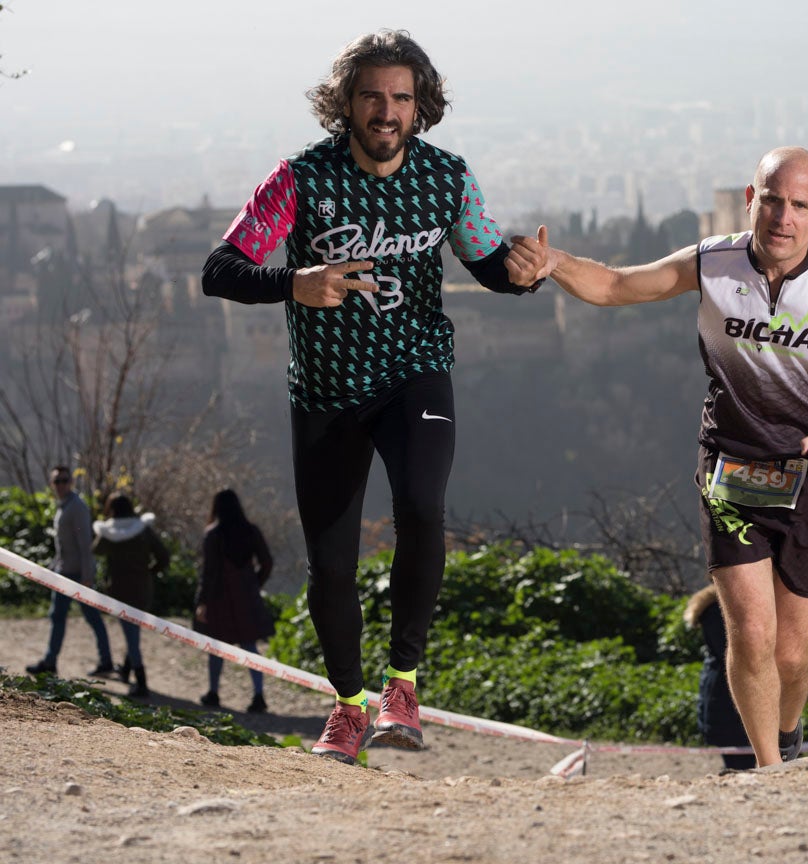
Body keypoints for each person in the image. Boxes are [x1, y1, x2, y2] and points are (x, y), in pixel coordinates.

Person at [506, 146, 808, 766]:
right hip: (730, 469)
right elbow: (621, 285)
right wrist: (555, 262)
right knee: (751, 635)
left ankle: (786, 733)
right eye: (773, 200)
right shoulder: (714, 261)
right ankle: (770, 768)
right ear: (751, 200)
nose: (783, 216)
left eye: (800, 206)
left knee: (792, 651)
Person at [201, 30, 544, 765]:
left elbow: (486, 263)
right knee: (332, 564)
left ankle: (404, 689)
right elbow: (219, 268)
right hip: (325, 390)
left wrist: (522, 272)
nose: (387, 112)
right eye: (372, 97)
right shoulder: (299, 179)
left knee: (423, 505)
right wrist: (294, 283)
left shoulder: (448, 178)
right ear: (345, 104)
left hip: (415, 372)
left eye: (401, 98)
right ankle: (349, 706)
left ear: (420, 107)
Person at [26, 466, 114, 678]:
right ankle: (50, 661)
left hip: (78, 575)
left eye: (64, 480)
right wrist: (52, 568)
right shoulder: (63, 506)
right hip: (63, 572)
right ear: (52, 483)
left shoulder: (77, 507)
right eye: (57, 481)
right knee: (57, 616)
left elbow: (85, 545)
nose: (61, 485)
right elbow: (62, 545)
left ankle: (106, 661)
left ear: (71, 482)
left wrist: (87, 577)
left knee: (92, 617)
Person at [195, 489, 276, 714]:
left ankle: (213, 693)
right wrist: (254, 583)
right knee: (250, 646)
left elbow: (208, 573)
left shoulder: (213, 534)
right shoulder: (251, 531)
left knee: (217, 648)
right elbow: (267, 562)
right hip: (246, 597)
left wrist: (202, 602)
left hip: (220, 598)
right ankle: (259, 696)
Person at [90, 492, 170, 699]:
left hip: (119, 590)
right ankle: (126, 670)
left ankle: (141, 681)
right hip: (143, 588)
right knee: (132, 631)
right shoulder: (143, 530)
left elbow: (96, 550)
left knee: (131, 634)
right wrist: (151, 571)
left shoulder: (109, 532)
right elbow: (163, 556)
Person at [683, 584, 756, 771]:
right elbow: (734, 651)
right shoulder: (720, 608)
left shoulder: (718, 605)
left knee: (741, 763)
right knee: (740, 764)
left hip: (726, 693)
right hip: (727, 697)